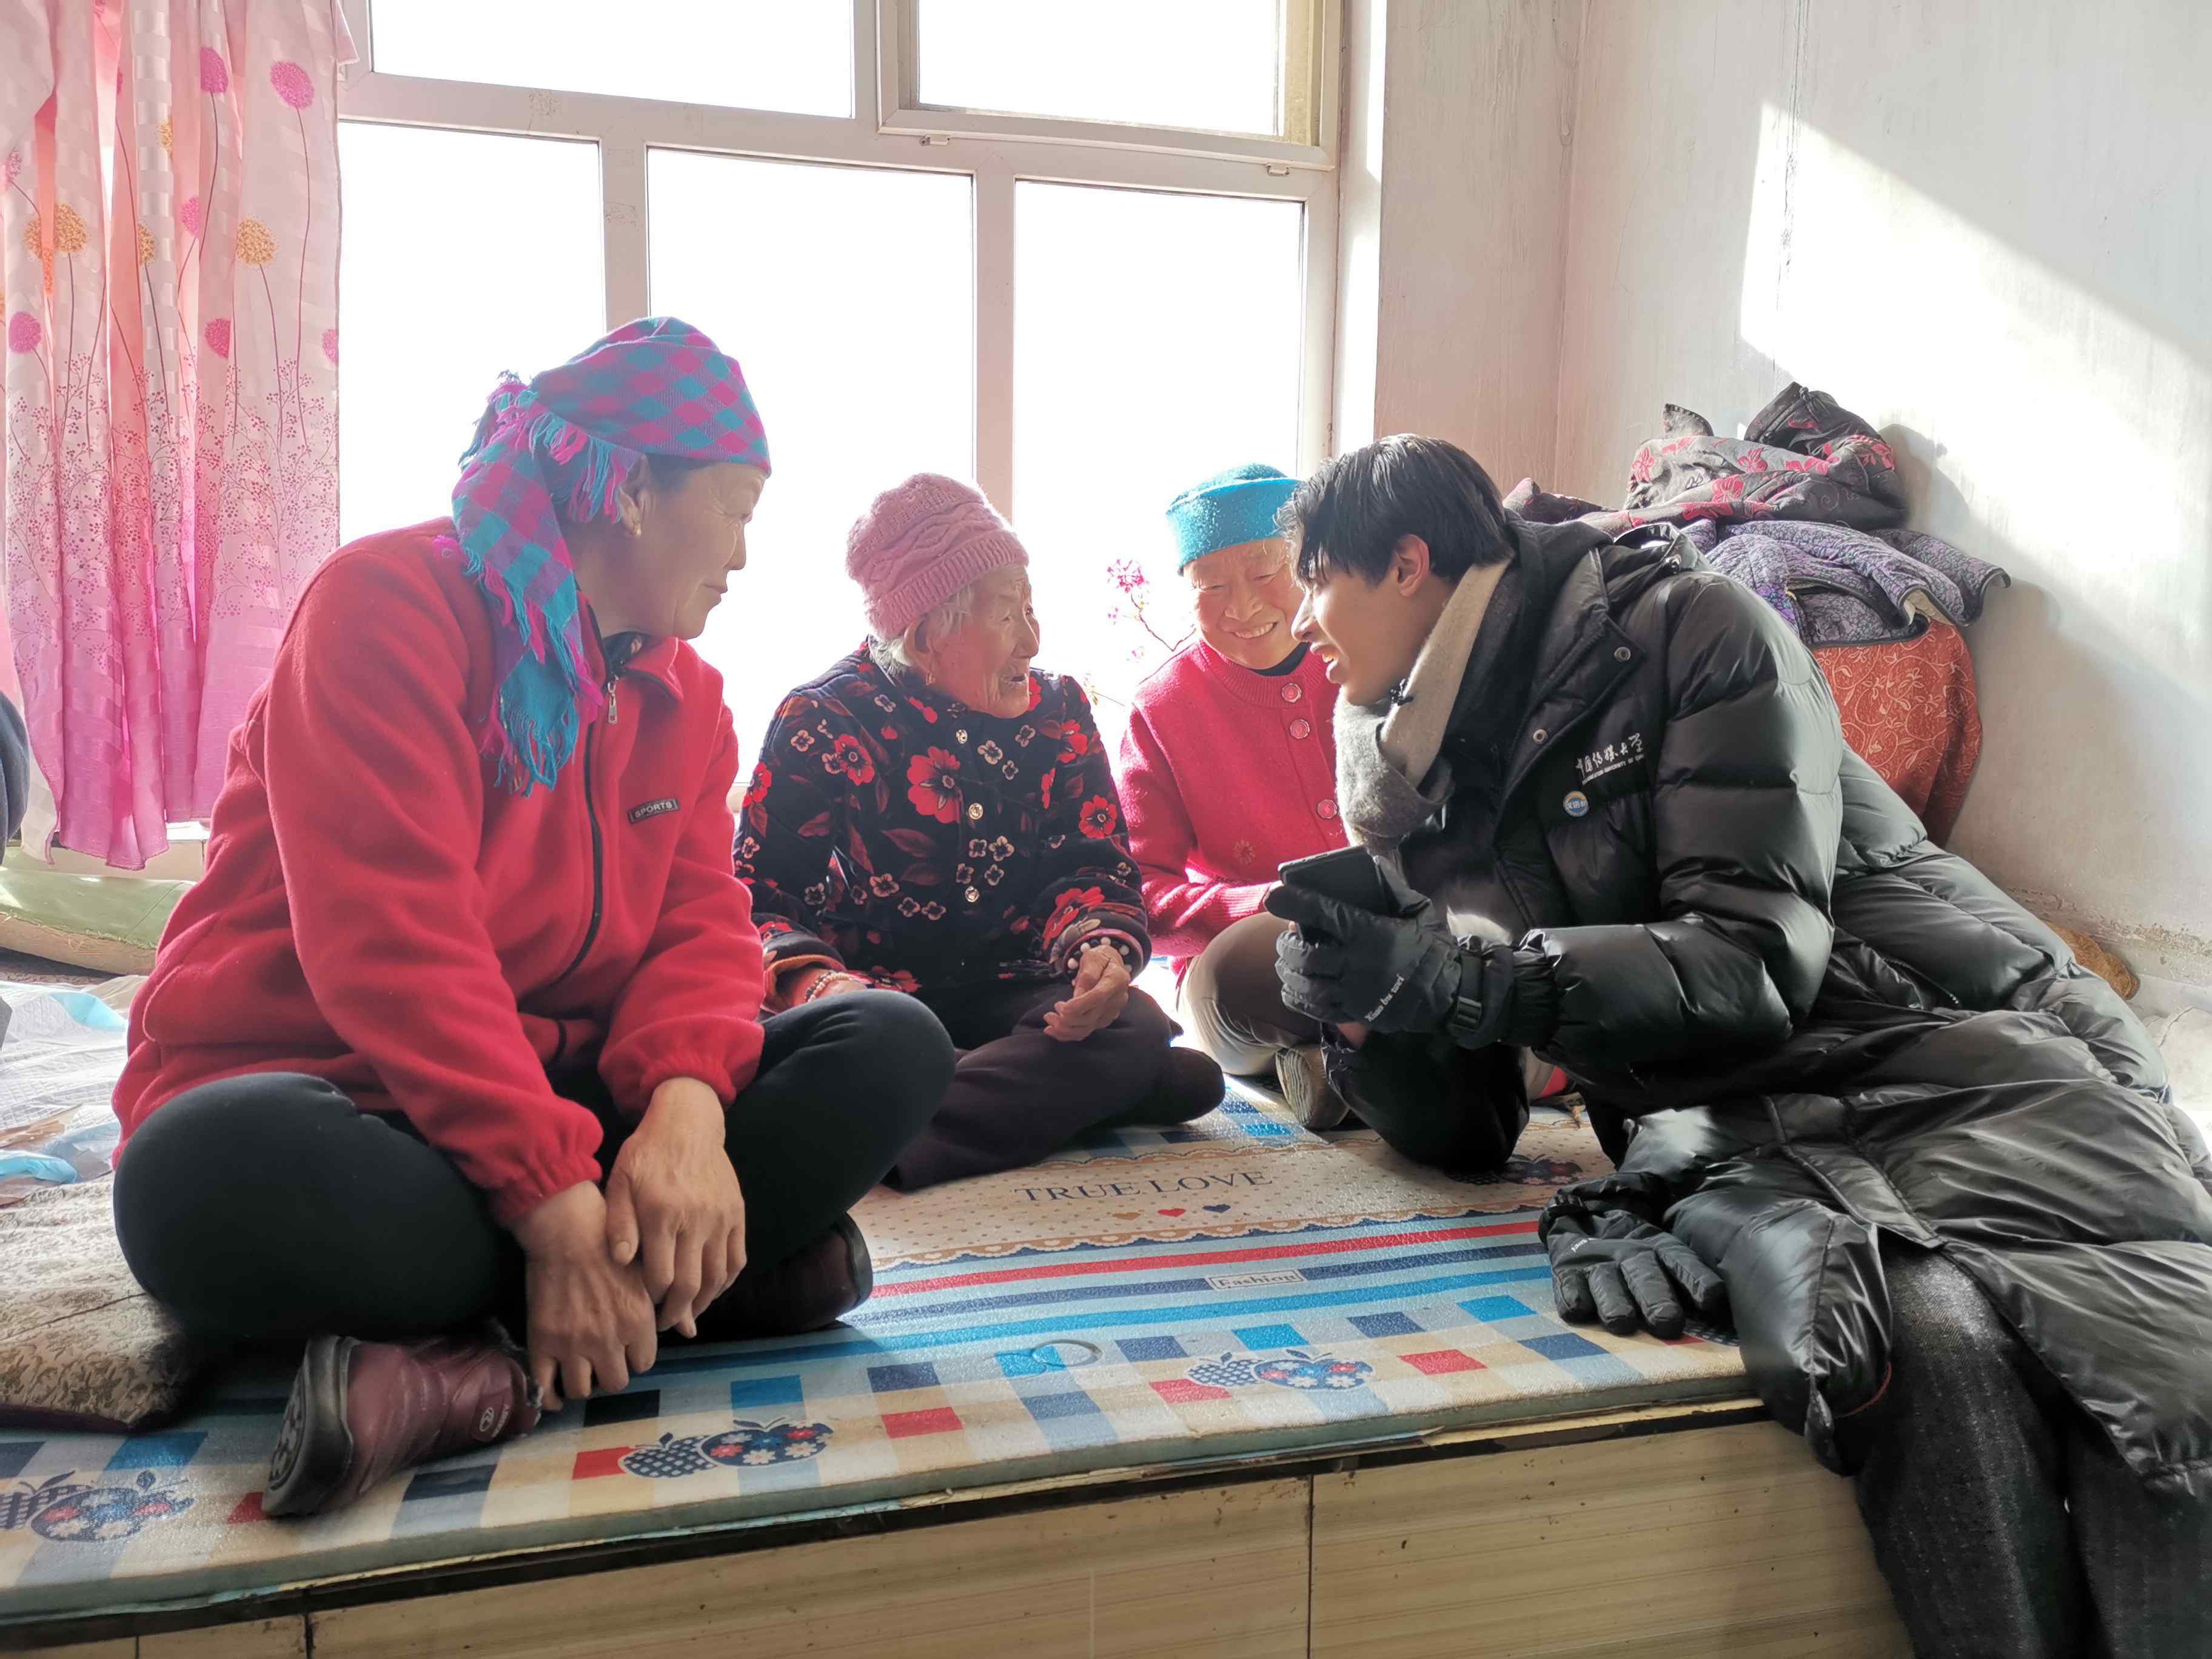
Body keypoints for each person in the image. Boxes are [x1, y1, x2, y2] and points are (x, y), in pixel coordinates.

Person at [1264, 433, 2212, 1658]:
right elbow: (1472, 1131)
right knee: (1905, 1341)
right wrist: (1373, 1011)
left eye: (1315, 580)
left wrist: (1475, 979)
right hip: (1742, 1118)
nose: (1301, 622)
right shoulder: (1408, 775)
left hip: (1960, 1047)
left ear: (1407, 564)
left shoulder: (1693, 633)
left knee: (2145, 1383)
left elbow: (1753, 961)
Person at [110, 320, 954, 1518]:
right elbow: (393, 948)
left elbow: (703, 930)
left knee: (892, 1042)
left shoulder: (687, 694)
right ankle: (691, 1291)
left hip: (560, 1107)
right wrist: (554, 1207)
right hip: (347, 1103)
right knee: (192, 1179)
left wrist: (686, 1117)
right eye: (736, 508)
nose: (746, 558)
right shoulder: (386, 605)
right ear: (632, 491)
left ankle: (480, 1365)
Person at [735, 474, 1222, 1188]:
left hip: (1009, 990)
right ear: (928, 631)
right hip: (876, 1004)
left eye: (1032, 609)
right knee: (1167, 1080)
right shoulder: (824, 719)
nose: (1032, 638)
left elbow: (1091, 865)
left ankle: (886, 1129)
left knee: (1139, 1032)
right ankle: (1024, 1098)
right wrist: (823, 989)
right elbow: (758, 900)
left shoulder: (1059, 710)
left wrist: (1100, 954)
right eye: (1006, 616)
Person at [1113, 464, 1350, 1126]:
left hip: (1403, 934)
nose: (1241, 607)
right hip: (1254, 957)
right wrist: (1258, 905)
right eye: (1210, 585)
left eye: (1264, 572)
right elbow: (1137, 894)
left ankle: (1340, 1071)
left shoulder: (1368, 654)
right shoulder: (1163, 705)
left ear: (1308, 565)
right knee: (1236, 974)